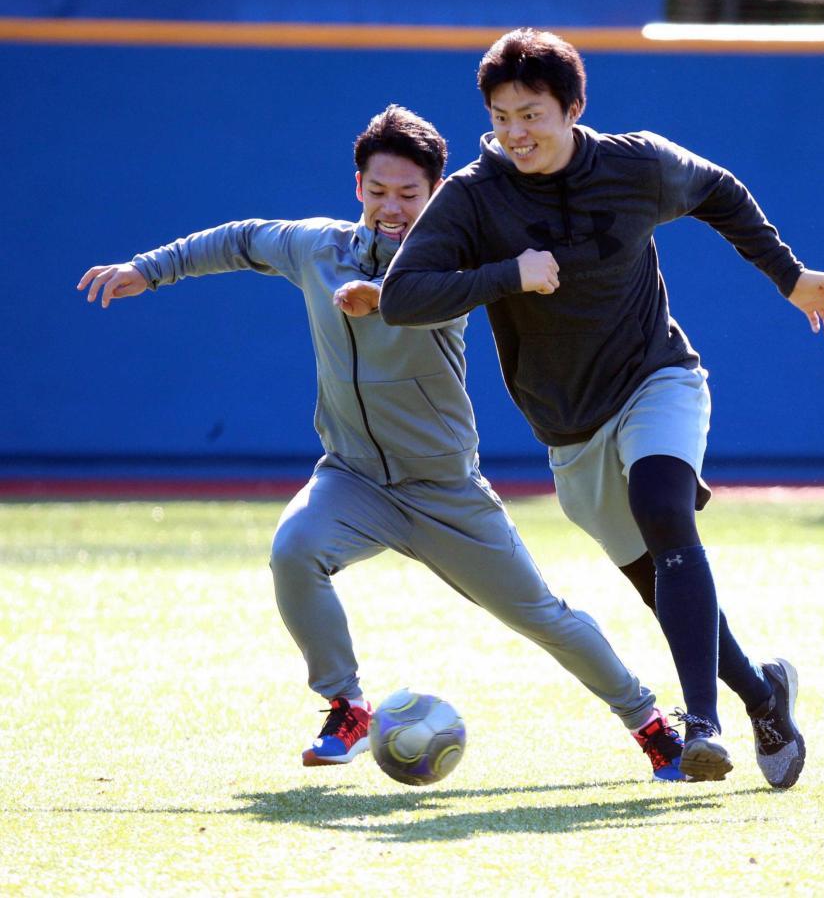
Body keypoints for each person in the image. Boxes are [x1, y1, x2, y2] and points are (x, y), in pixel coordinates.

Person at [76, 104, 692, 782]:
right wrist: (149, 269)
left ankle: (653, 726)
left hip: (444, 492)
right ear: (357, 187)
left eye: (409, 194)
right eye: (378, 191)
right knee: (294, 551)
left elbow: (455, 288)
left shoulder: (449, 258)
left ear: (436, 195)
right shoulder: (316, 248)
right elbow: (242, 238)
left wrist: (453, 281)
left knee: (543, 615)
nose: (391, 207)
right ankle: (347, 705)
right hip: (353, 478)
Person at [380, 31, 824, 787]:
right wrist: (507, 274)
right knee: (658, 582)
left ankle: (705, 727)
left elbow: (720, 192)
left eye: (531, 113)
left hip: (656, 375)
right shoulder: (473, 194)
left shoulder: (636, 164)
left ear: (573, 108)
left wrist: (789, 277)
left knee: (665, 508)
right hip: (568, 426)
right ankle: (764, 697)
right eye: (501, 116)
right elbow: (402, 297)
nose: (516, 132)